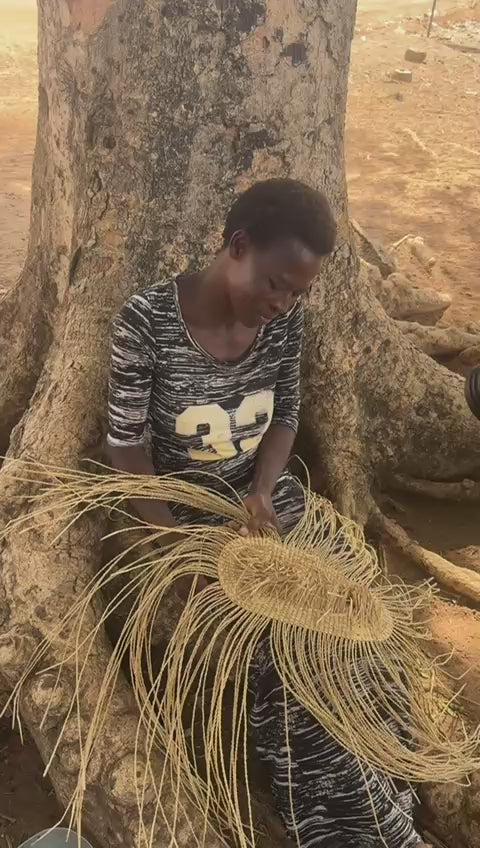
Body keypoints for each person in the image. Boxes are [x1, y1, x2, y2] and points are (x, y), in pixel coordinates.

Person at [107, 178, 428, 848]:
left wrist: (262, 488)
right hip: (191, 519)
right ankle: (349, 829)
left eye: (298, 294)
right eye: (277, 284)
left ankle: (391, 787)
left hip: (268, 505)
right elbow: (126, 446)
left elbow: (286, 415)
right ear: (238, 246)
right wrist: (170, 548)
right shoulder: (147, 322)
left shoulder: (285, 324)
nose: (283, 305)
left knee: (362, 630)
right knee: (288, 656)